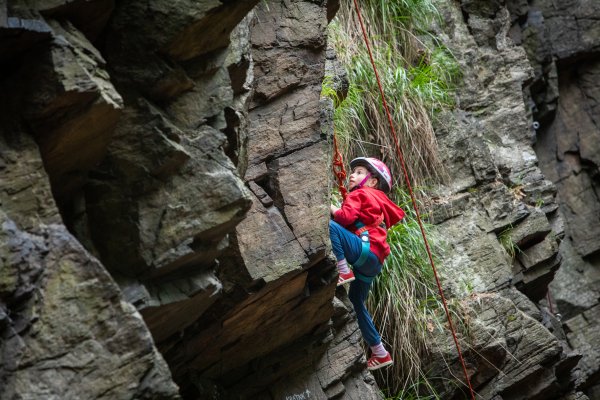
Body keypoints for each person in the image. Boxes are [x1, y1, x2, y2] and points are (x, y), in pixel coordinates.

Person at [329, 157, 405, 371]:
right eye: (353, 171)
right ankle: (380, 351)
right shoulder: (378, 199)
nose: (352, 175)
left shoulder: (361, 193)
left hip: (364, 250)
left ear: (372, 181)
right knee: (356, 300)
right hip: (374, 262)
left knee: (330, 226)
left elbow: (344, 218)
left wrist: (331, 207)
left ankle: (343, 271)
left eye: (360, 172)